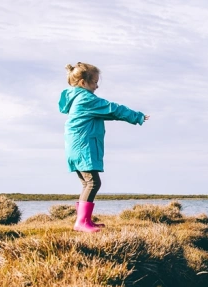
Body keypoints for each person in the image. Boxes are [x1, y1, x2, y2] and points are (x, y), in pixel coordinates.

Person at [58, 62, 150, 232]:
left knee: (87, 183)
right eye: (94, 82)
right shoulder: (86, 99)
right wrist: (136, 116)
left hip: (75, 148)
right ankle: (81, 222)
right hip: (83, 147)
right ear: (83, 83)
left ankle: (85, 221)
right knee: (93, 182)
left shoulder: (77, 99)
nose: (96, 85)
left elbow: (109, 114)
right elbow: (112, 109)